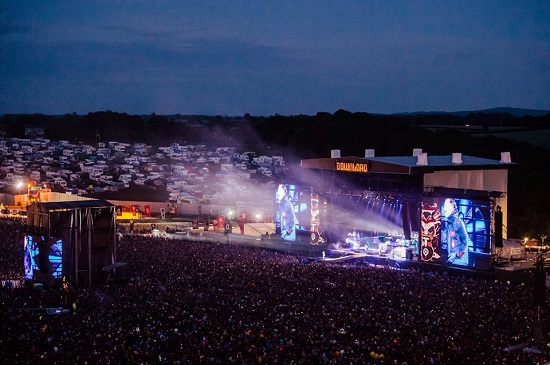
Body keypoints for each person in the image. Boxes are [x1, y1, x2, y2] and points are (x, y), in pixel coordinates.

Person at [441, 198, 470, 264]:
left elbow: (465, 241)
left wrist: (456, 254)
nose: (445, 209)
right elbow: (446, 237)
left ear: (453, 209)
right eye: (444, 206)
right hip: (452, 259)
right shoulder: (449, 223)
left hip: (459, 261)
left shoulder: (458, 222)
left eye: (447, 206)